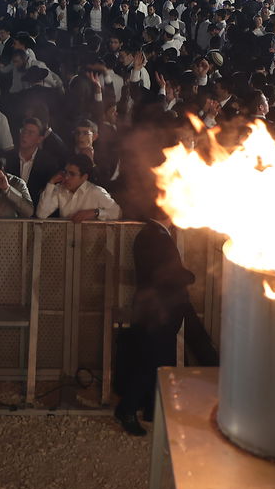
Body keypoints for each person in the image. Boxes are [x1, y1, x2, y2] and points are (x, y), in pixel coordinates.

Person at [113, 207, 218, 436]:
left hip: (159, 309)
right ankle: (127, 409)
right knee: (150, 362)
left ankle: (153, 410)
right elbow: (164, 275)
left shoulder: (155, 234)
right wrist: (189, 276)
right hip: (158, 311)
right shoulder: (155, 237)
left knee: (158, 361)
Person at [35, 153, 121, 221]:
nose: (66, 177)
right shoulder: (60, 189)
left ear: (84, 177)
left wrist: (95, 212)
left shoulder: (96, 192)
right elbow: (41, 214)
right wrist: (51, 183)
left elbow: (117, 212)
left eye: (72, 174)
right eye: (66, 172)